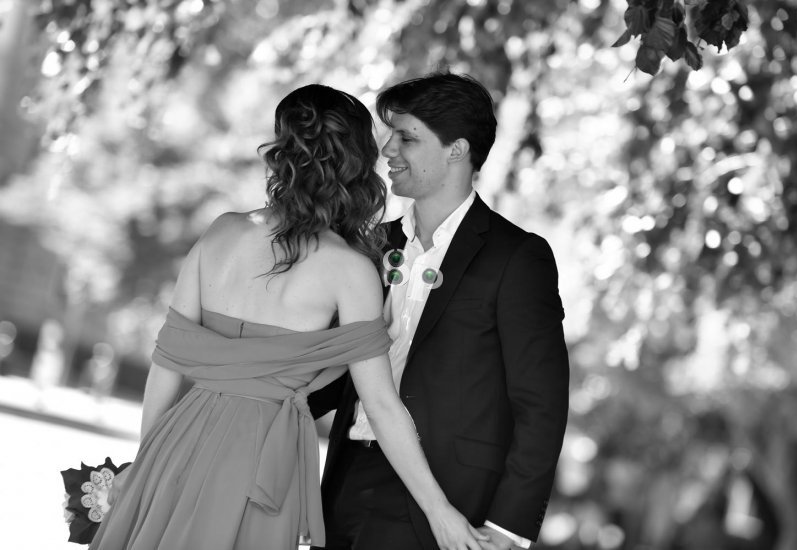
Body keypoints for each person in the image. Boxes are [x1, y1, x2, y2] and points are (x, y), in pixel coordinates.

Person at [90, 84, 485, 550]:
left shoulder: (222, 232)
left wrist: (144, 462)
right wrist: (439, 511)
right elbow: (381, 405)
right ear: (357, 166)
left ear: (282, 153)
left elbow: (165, 365)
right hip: (254, 463)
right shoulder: (350, 270)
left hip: (175, 445)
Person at [309, 72, 570, 550]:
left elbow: (541, 407)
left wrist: (508, 529)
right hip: (346, 484)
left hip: (451, 503)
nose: (387, 150)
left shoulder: (517, 257)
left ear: (457, 150)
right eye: (390, 135)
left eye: (407, 138)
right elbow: (333, 374)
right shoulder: (369, 246)